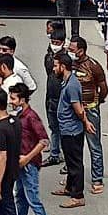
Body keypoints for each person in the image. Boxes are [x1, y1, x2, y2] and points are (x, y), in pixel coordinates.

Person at [9, 85, 54, 215]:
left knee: (34, 201)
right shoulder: (21, 116)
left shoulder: (31, 117)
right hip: (21, 164)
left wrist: (27, 158)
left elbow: (44, 141)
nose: (11, 102)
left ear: (22, 100)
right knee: (20, 196)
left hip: (29, 165)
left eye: (13, 99)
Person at [68, 36, 107, 194]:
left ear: (81, 51)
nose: (69, 51)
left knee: (94, 145)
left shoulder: (94, 66)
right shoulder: (69, 64)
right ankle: (72, 178)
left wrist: (97, 101)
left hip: (90, 110)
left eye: (72, 49)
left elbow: (103, 89)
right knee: (72, 146)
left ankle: (97, 179)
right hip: (72, 110)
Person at [41, 25, 66, 166]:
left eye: (58, 43)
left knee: (61, 128)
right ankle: (55, 151)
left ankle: (58, 153)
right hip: (50, 96)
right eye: (53, 42)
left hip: (61, 98)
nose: (55, 45)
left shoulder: (67, 59)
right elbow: (49, 71)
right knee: (53, 126)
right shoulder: (49, 56)